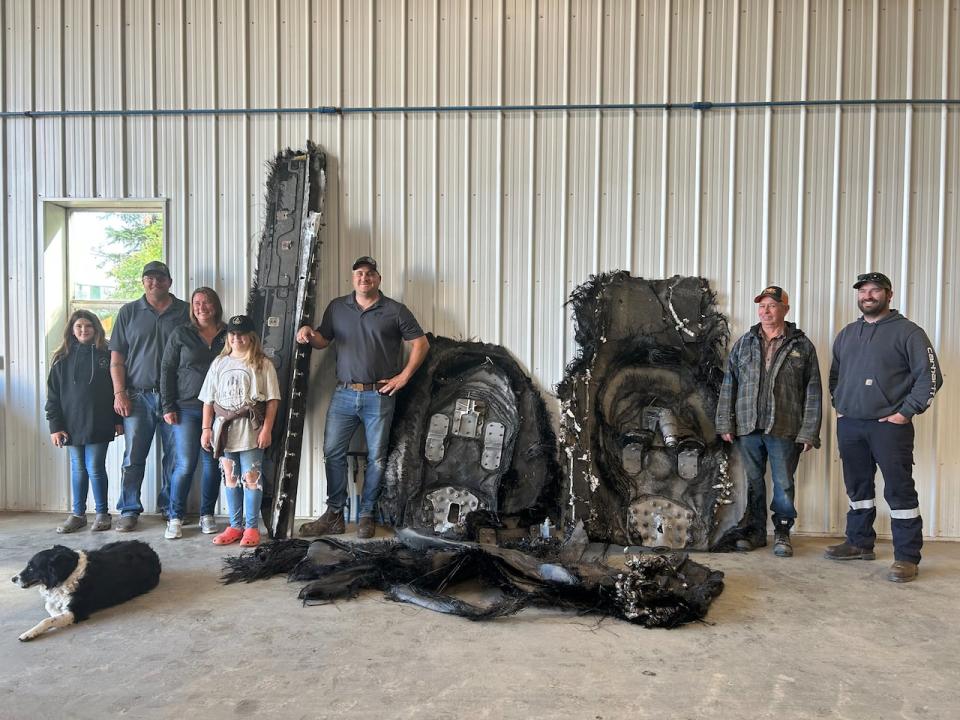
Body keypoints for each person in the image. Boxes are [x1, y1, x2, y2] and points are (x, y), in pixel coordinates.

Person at [296, 256, 429, 539]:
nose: (364, 278)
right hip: (344, 393)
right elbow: (323, 339)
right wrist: (309, 333)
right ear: (353, 278)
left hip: (378, 396)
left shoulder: (394, 310)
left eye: (370, 274)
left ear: (378, 279)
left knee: (377, 459)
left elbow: (421, 343)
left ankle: (366, 514)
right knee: (333, 452)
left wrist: (403, 377)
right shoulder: (337, 307)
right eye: (359, 273)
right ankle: (334, 514)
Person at [824, 272, 943, 583]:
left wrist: (905, 413)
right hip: (850, 425)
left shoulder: (909, 333)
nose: (868, 295)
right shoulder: (848, 333)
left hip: (889, 427)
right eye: (863, 291)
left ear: (889, 295)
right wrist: (840, 406)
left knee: (899, 490)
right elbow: (835, 376)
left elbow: (931, 378)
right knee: (858, 487)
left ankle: (906, 557)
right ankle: (859, 542)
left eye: (875, 290)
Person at [716, 285, 822, 557]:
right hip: (748, 427)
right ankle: (755, 532)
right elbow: (729, 384)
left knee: (784, 483)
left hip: (784, 428)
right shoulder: (744, 343)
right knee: (753, 482)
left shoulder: (801, 346)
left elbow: (813, 391)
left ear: (785, 309)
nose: (765, 311)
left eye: (772, 305)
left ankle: (783, 533)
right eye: (762, 306)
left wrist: (809, 431)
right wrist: (725, 424)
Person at [110, 261, 190, 532]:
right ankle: (129, 509)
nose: (154, 282)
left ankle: (170, 508)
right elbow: (117, 359)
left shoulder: (185, 312)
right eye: (149, 278)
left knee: (174, 457)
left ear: (169, 281)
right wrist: (119, 393)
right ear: (143, 282)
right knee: (133, 457)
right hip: (137, 397)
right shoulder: (129, 312)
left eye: (160, 278)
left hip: (176, 398)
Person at [199, 315, 280, 548]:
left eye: (242, 334)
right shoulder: (219, 363)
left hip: (250, 428)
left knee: (251, 478)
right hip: (224, 429)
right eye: (233, 334)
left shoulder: (262, 363)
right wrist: (206, 429)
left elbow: (273, 401)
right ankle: (235, 525)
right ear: (228, 337)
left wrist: (266, 429)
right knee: (230, 478)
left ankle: (252, 528)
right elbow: (208, 400)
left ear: (251, 336)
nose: (237, 338)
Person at [45, 310, 124, 533]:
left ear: (96, 328)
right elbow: (53, 397)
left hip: (99, 422)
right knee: (78, 468)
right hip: (70, 425)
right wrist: (55, 427)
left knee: (95, 467)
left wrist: (118, 420)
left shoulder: (107, 355)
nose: (83, 330)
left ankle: (102, 513)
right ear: (72, 329)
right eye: (79, 326)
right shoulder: (61, 359)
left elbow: (116, 389)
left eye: (88, 326)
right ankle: (78, 514)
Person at [159, 287, 227, 539]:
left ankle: (206, 515)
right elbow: (166, 370)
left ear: (216, 306)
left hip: (220, 410)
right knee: (185, 464)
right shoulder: (181, 333)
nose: (202, 307)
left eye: (207, 302)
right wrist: (168, 406)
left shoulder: (229, 334)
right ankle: (175, 517)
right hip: (186, 409)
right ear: (191, 307)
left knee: (211, 464)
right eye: (197, 303)